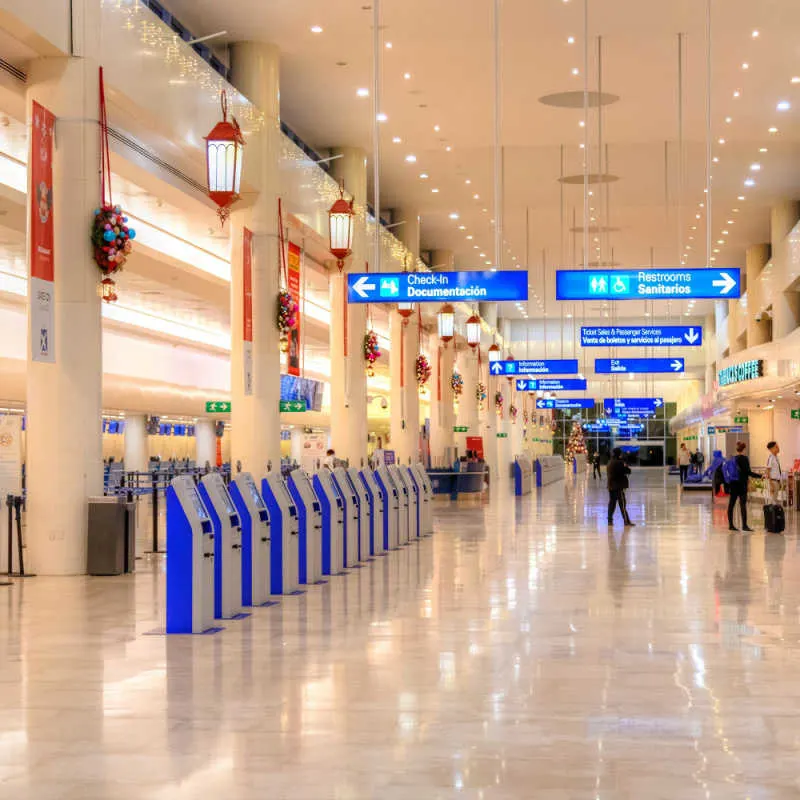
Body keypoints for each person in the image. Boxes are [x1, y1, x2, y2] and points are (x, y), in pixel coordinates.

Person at [727, 441, 760, 532]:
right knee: (742, 505)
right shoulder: (744, 459)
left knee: (731, 505)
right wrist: (760, 476)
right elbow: (748, 472)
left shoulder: (733, 458)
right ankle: (744, 525)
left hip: (733, 484)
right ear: (744, 449)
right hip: (741, 485)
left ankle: (731, 525)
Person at [607, 447, 634, 527]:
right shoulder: (619, 463)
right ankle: (626, 521)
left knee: (612, 504)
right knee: (622, 505)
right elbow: (628, 471)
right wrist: (625, 465)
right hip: (618, 487)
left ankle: (609, 521)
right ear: (618, 454)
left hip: (611, 486)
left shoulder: (610, 462)